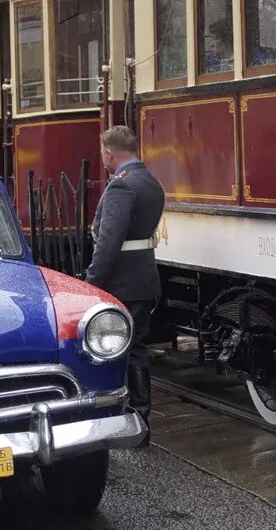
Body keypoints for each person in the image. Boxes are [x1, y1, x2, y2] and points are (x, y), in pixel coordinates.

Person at [84, 125, 164, 423]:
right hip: (144, 277)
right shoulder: (150, 181)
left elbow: (108, 243)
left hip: (120, 282)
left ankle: (127, 412)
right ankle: (140, 414)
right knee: (138, 347)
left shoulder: (121, 185)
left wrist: (92, 283)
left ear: (109, 153)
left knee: (111, 347)